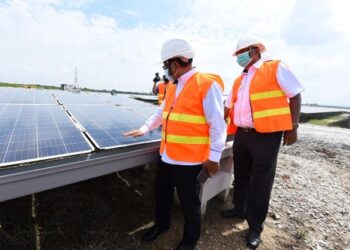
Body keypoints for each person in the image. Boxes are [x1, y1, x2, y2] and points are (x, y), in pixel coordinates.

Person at [124, 38, 226, 250]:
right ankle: (162, 225)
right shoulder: (172, 86)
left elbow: (218, 125)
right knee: (162, 194)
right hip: (167, 155)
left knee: (190, 203)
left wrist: (214, 157)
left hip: (190, 161)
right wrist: (145, 128)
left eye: (166, 65)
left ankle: (189, 241)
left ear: (176, 63)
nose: (166, 70)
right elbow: (161, 112)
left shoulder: (206, 84)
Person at [221, 38, 303, 249]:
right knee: (241, 175)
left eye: (240, 52)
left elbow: (295, 95)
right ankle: (239, 209)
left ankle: (255, 227)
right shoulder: (241, 79)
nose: (238, 58)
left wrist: (292, 126)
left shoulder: (274, 67)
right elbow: (228, 107)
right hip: (242, 134)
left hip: (266, 136)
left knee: (261, 182)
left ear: (254, 50)